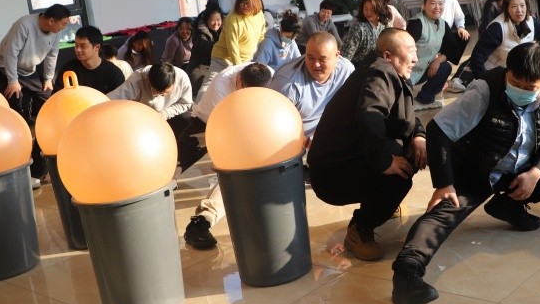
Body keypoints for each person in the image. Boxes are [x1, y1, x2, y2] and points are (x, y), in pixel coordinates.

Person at [390, 42, 540, 304]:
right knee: (441, 216)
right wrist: (444, 184)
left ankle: (508, 206)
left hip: (522, 165)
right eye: (514, 82)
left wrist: (536, 172)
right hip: (476, 168)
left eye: (530, 87)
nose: (520, 90)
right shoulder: (485, 89)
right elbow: (439, 130)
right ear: (508, 70)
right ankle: (407, 275)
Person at [308, 29, 426, 261]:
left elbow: (405, 116)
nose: (415, 59)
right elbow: (369, 116)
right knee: (401, 170)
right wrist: (384, 161)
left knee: (408, 149)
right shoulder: (380, 74)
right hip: (332, 176)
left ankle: (379, 204)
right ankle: (360, 228)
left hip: (340, 165)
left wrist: (419, 136)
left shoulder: (387, 71)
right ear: (388, 55)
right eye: (410, 51)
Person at [183, 61, 274, 250]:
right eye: (245, 90)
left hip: (245, 125)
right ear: (239, 80)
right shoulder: (222, 85)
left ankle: (203, 220)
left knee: (237, 174)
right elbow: (231, 129)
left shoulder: (270, 77)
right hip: (207, 124)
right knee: (173, 165)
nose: (249, 96)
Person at [0, 3, 72, 186]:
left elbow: (52, 55)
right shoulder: (24, 25)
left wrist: (48, 78)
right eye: (63, 24)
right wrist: (12, 80)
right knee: (16, 112)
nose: (64, 27)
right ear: (51, 21)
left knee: (47, 100)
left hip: (28, 70)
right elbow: (11, 53)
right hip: (3, 68)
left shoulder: (55, 31)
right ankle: (20, 162)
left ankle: (39, 157)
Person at [107, 62, 200, 173]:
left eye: (165, 93)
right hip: (141, 119)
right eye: (158, 93)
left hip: (167, 114)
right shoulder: (137, 80)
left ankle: (174, 154)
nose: (161, 96)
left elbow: (186, 103)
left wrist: (165, 113)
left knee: (186, 118)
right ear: (148, 81)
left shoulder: (182, 78)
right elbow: (111, 101)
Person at [269, 32, 355, 140]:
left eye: (322, 59)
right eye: (310, 58)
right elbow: (274, 127)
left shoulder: (346, 71)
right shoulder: (287, 84)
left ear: (337, 56)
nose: (316, 64)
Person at [469, 0, 540, 78]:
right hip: (496, 72)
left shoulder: (533, 22)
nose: (519, 10)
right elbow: (477, 57)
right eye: (514, 6)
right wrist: (484, 79)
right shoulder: (497, 28)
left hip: (519, 72)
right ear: (507, 9)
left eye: (522, 5)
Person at [406, 0, 460, 111]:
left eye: (440, 3)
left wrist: (437, 61)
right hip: (407, 72)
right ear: (424, 5)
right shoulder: (417, 23)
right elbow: (403, 50)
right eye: (433, 3)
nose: (437, 7)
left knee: (445, 67)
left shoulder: (443, 24)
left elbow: (454, 49)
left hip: (424, 70)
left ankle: (423, 100)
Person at [205, 0, 266, 88]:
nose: (244, 6)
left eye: (247, 3)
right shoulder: (232, 18)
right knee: (209, 85)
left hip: (247, 60)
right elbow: (232, 46)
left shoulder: (259, 14)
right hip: (223, 59)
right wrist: (239, 69)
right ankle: (200, 99)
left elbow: (261, 36)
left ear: (254, 3)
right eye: (241, 3)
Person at [54, 25, 124, 94]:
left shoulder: (113, 74)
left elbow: (120, 99)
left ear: (97, 47)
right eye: (76, 45)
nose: (78, 50)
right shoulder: (68, 69)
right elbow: (57, 96)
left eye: (83, 46)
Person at [341, 0, 391, 65]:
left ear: (380, 9)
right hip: (358, 67)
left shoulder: (385, 24)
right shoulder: (358, 27)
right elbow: (346, 57)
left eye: (372, 10)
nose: (368, 13)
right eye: (365, 9)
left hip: (379, 65)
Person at [188, 0, 223, 96]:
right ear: (207, 20)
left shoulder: (226, 29)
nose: (216, 23)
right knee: (200, 88)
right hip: (200, 65)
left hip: (219, 63)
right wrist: (224, 46)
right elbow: (205, 46)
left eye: (218, 19)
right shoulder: (199, 32)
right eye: (213, 20)